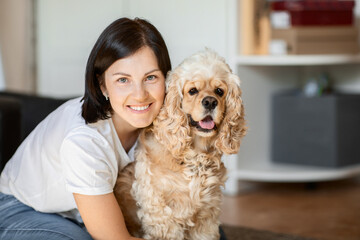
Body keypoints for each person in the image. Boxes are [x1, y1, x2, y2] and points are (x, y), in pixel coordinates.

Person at [0, 17, 227, 240]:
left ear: (168, 80)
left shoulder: (163, 119)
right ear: (102, 85)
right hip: (22, 209)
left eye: (150, 77)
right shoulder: (84, 140)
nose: (139, 95)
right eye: (123, 80)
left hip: (87, 209)